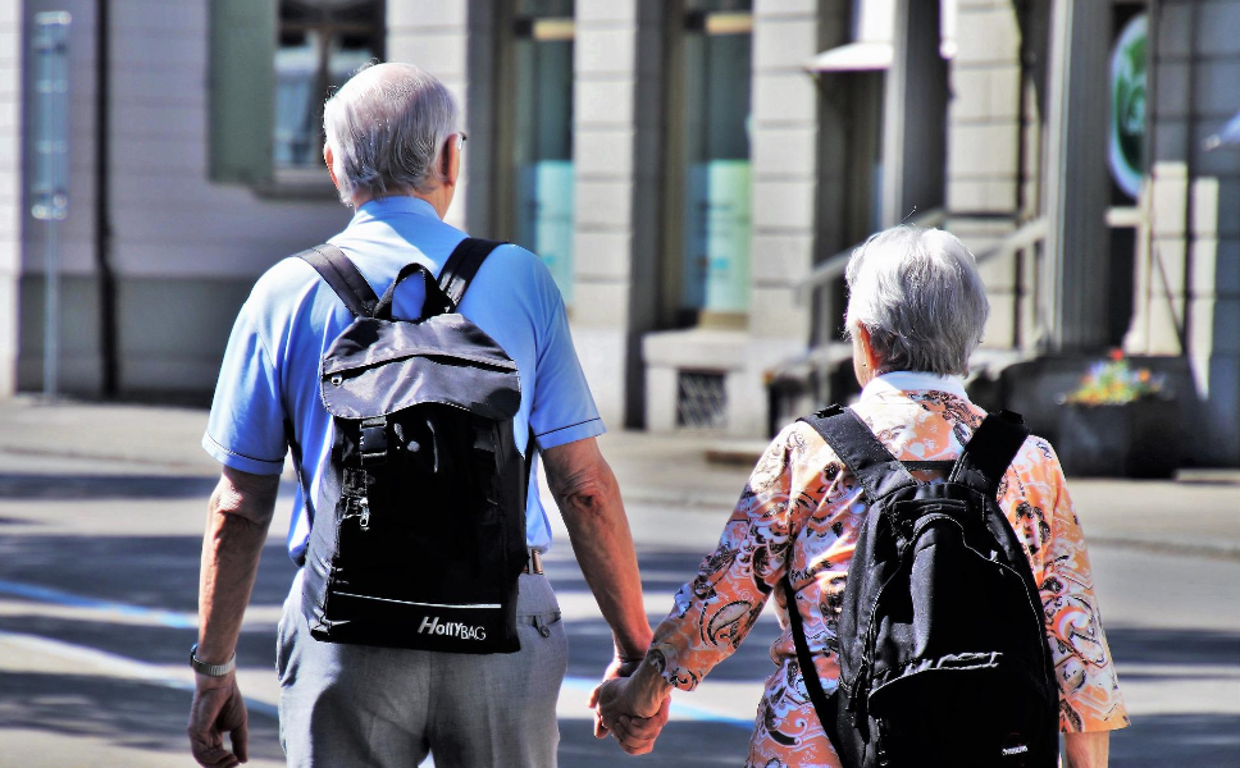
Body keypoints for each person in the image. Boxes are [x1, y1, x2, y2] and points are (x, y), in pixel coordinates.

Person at [187, 62, 667, 768]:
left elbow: (240, 505)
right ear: (449, 156)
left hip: (345, 628)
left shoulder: (282, 293)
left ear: (331, 164)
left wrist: (215, 668)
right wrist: (634, 650)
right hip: (499, 623)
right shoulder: (521, 279)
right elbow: (583, 487)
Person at [592, 225, 1129, 767]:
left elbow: (723, 599)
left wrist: (640, 693)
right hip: (986, 746)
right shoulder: (1029, 460)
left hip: (817, 743)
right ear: (969, 343)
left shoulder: (809, 451)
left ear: (866, 341)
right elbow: (1076, 642)